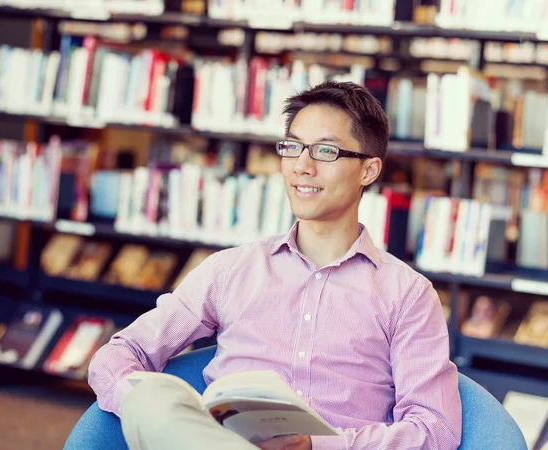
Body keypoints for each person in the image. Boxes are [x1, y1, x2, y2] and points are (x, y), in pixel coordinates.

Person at [88, 80, 462, 450]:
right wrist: (146, 407)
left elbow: (434, 429)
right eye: (293, 147)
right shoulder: (230, 271)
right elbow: (118, 355)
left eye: (325, 151)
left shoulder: (409, 296)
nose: (302, 166)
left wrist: (318, 445)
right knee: (155, 397)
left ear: (368, 170)